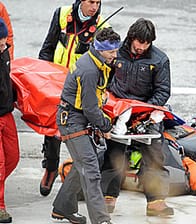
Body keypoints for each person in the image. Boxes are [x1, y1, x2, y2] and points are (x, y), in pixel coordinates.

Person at [101, 18, 174, 216]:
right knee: (114, 152)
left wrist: (147, 111)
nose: (142, 47)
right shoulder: (116, 53)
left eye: (147, 43)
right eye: (139, 42)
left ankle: (156, 201)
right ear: (132, 37)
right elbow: (103, 79)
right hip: (118, 109)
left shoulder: (159, 59)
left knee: (154, 154)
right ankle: (108, 197)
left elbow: (163, 91)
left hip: (146, 111)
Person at [38, 0, 110, 197]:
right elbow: (47, 47)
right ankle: (51, 167)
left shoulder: (103, 26)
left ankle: (77, 182)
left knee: (80, 134)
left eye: (98, 2)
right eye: (90, 1)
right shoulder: (62, 14)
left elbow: (106, 64)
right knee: (52, 129)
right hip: (54, 81)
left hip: (81, 88)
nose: (94, 7)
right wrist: (42, 76)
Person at [51, 27, 120, 224]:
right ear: (100, 49)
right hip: (72, 120)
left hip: (78, 116)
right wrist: (106, 126)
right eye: (111, 52)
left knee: (84, 162)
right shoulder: (89, 70)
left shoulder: (95, 60)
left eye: (116, 50)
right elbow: (90, 109)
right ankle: (101, 220)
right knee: (90, 168)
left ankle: (63, 207)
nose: (115, 55)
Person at [0, 18, 20, 223]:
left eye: (5, 40)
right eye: (0, 41)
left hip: (6, 113)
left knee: (13, 158)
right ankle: (0, 206)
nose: (4, 45)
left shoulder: (5, 51)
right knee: (0, 164)